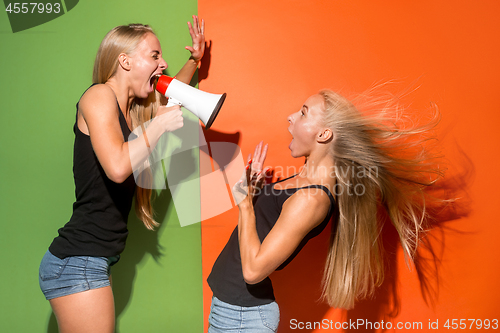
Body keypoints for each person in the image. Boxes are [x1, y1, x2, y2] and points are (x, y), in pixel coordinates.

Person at [207, 89, 442, 332]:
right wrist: (254, 193)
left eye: (303, 113)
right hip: (232, 312)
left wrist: (245, 205)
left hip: (242, 319)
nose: (291, 116)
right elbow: (263, 229)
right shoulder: (303, 180)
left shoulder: (313, 198)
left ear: (324, 133)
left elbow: (254, 271)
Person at [38, 16, 205, 333]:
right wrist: (159, 124)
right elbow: (116, 167)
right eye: (155, 55)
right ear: (124, 61)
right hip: (78, 260)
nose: (163, 62)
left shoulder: (134, 113)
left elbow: (173, 94)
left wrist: (194, 60)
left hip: (94, 259)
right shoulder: (98, 96)